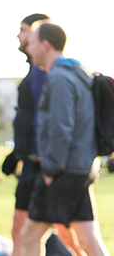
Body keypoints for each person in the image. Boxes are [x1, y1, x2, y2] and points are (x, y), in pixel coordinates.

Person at [15, 22, 110, 256]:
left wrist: (50, 169)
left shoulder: (60, 78)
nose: (29, 47)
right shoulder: (77, 74)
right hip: (80, 167)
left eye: (33, 42)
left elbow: (61, 127)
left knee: (29, 236)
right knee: (87, 238)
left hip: (62, 171)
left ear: (45, 45)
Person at [10, 14, 82, 255]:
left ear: (38, 37)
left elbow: (53, 122)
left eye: (23, 31)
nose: (20, 37)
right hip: (39, 162)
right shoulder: (39, 70)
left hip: (42, 164)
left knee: (26, 232)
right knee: (72, 232)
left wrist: (46, 163)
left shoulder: (47, 73)